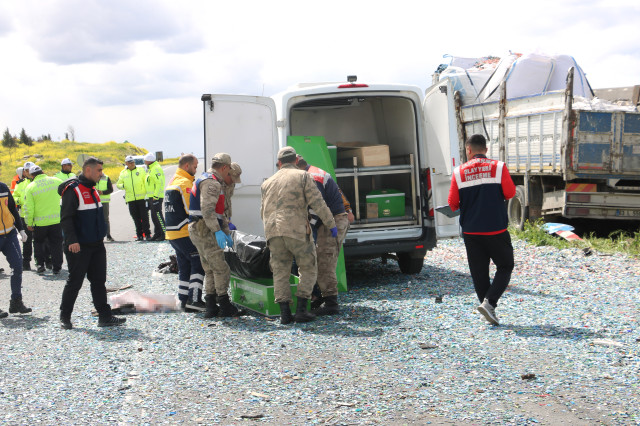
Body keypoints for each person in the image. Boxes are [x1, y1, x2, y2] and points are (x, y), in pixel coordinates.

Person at [260, 146, 337, 324]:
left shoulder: (267, 182)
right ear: (296, 160)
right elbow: (318, 203)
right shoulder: (303, 176)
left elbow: (262, 211)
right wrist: (331, 224)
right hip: (296, 231)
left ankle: (285, 314)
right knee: (308, 267)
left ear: (279, 163)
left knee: (280, 271)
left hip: (273, 232)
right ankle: (302, 310)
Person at [448, 134, 516, 325]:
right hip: (496, 229)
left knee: (479, 272)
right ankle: (490, 303)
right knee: (505, 265)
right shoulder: (499, 167)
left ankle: (487, 308)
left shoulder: (458, 172)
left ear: (468, 150)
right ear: (486, 150)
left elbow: (452, 204)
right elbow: (510, 193)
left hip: (471, 231)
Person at [58, 157, 126, 329]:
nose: (102, 174)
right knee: (75, 282)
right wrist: (72, 240)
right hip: (78, 246)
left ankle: (105, 316)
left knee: (98, 282)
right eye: (99, 171)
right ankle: (64, 317)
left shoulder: (92, 189)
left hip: (96, 244)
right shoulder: (73, 190)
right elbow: (66, 218)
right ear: (88, 170)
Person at [188, 153, 242, 318]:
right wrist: (217, 230)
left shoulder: (206, 178)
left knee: (210, 268)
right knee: (221, 268)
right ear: (225, 167)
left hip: (199, 228)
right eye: (228, 173)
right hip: (206, 229)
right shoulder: (212, 183)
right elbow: (207, 210)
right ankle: (224, 305)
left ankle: (211, 305)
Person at [296, 155, 349, 316]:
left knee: (325, 261)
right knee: (320, 259)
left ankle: (331, 304)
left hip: (332, 221)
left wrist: (307, 230)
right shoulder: (313, 173)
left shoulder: (312, 178)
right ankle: (323, 298)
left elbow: (318, 207)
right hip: (330, 220)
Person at [164, 154, 206, 313]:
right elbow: (192, 210)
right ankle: (194, 300)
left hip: (172, 233)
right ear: (187, 166)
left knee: (184, 265)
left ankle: (183, 300)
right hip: (184, 231)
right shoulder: (185, 184)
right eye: (195, 167)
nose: (196, 170)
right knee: (198, 262)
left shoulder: (172, 182)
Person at [23, 165, 64, 275]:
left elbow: (28, 208)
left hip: (40, 223)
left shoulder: (30, 187)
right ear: (43, 171)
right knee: (56, 244)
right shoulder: (57, 181)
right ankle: (57, 267)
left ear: (32, 175)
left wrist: (29, 222)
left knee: (38, 243)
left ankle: (40, 265)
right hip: (56, 220)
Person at [0, 180, 31, 318]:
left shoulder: (3, 187)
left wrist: (21, 229)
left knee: (18, 267)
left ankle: (16, 301)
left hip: (9, 234)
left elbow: (12, 209)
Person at [117, 156, 151, 241]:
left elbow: (146, 182)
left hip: (142, 198)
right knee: (136, 218)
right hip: (130, 199)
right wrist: (123, 186)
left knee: (145, 217)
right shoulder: (123, 173)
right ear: (126, 164)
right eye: (129, 162)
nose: (132, 163)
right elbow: (118, 184)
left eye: (132, 162)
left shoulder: (141, 170)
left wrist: (147, 195)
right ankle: (139, 235)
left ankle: (147, 234)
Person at [12, 166, 33, 270]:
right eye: (26, 171)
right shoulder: (20, 184)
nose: (27, 172)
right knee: (27, 240)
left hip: (38, 216)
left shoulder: (38, 182)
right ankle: (26, 262)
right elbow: (14, 197)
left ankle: (44, 262)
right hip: (24, 216)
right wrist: (19, 201)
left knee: (40, 241)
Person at [144, 152, 166, 241]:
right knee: (154, 216)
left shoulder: (156, 169)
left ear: (149, 161)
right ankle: (157, 233)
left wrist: (156, 196)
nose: (144, 161)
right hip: (151, 196)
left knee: (158, 215)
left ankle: (164, 234)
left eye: (145, 160)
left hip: (156, 196)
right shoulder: (150, 168)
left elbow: (160, 183)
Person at [223, 162, 242, 228]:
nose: (233, 181)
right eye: (232, 179)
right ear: (227, 173)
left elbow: (228, 201)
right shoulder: (216, 184)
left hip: (226, 218)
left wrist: (229, 219)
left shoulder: (231, 184)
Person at [96, 173, 115, 242]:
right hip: (94, 202)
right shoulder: (92, 177)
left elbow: (110, 189)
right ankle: (97, 236)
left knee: (105, 219)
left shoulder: (106, 177)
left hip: (104, 202)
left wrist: (102, 192)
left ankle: (108, 236)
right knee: (95, 219)